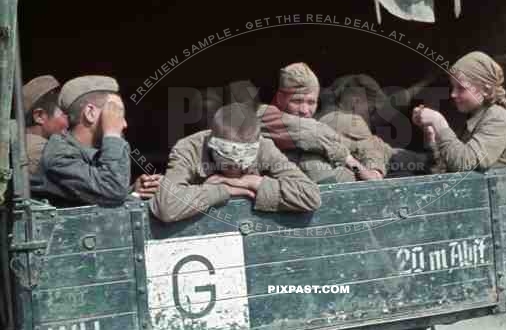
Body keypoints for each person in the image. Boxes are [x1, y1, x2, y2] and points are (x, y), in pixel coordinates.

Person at [150, 103, 321, 222]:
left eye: (244, 164)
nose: (237, 169)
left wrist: (252, 182)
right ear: (212, 144)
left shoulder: (265, 148)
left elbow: (310, 195)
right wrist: (224, 190)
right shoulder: (188, 149)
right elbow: (167, 206)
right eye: (229, 164)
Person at [31, 75, 160, 207]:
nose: (124, 124)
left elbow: (99, 198)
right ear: (90, 113)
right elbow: (111, 191)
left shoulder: (88, 153)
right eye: (116, 113)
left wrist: (134, 192)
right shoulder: (59, 156)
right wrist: (112, 135)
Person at [257, 62, 382, 183]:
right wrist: (350, 161)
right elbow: (310, 132)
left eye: (311, 102)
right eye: (297, 101)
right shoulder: (261, 116)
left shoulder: (324, 132)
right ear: (280, 98)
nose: (304, 110)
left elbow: (368, 144)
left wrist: (374, 170)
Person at [412, 51, 506, 172]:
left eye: (461, 88)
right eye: (453, 87)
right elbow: (448, 167)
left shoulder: (498, 118)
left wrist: (438, 122)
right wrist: (432, 137)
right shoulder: (473, 119)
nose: (453, 94)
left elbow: (464, 163)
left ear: (486, 91)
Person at [22, 75, 69, 175]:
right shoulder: (40, 151)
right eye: (64, 113)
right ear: (40, 116)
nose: (70, 119)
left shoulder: (24, 143)